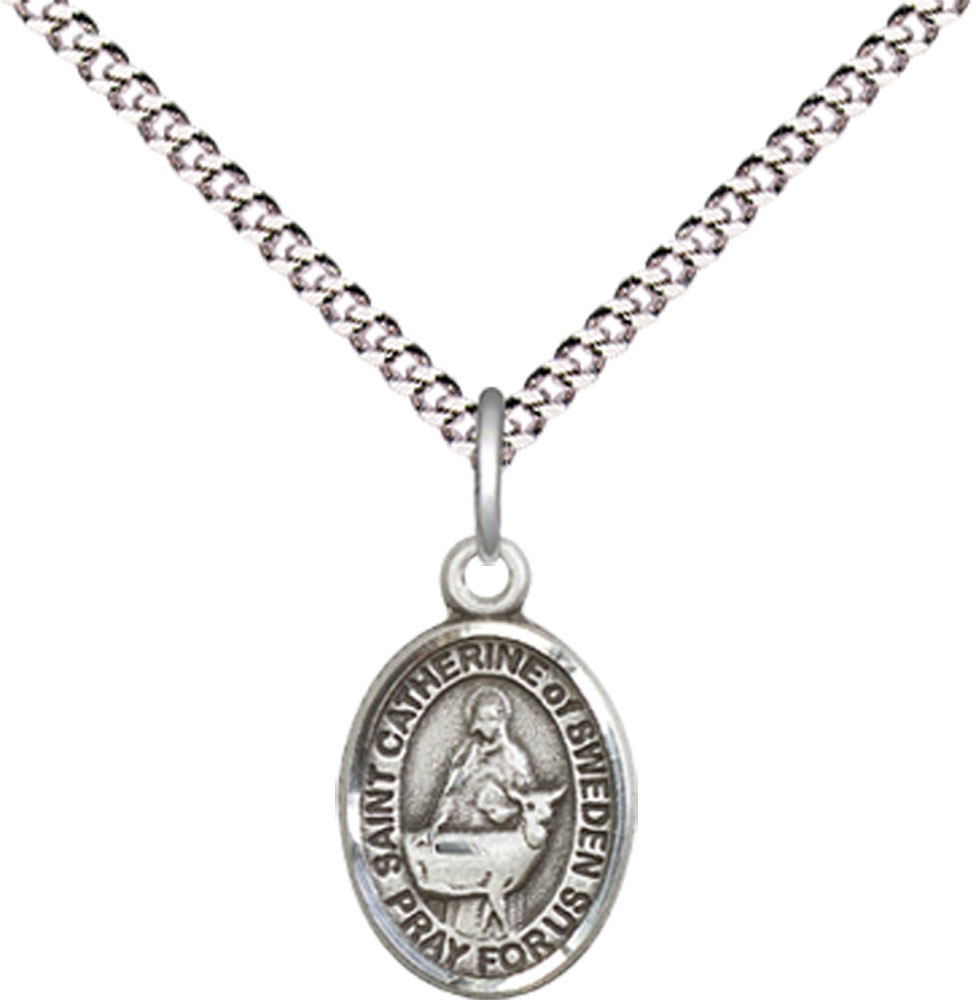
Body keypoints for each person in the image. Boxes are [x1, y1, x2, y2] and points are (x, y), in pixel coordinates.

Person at [428, 686, 533, 837]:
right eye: (481, 719)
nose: (484, 725)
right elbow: (451, 792)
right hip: (460, 831)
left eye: (491, 719)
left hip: (496, 834)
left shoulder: (512, 756)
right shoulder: (467, 754)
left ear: (502, 721)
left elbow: (525, 799)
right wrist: (436, 825)